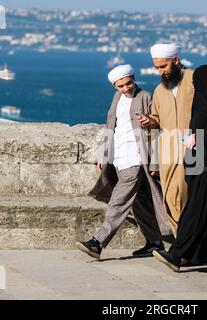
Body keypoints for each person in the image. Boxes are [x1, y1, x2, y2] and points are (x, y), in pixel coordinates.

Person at [138, 44, 207, 235]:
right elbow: (158, 118)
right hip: (167, 150)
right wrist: (150, 120)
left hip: (193, 148)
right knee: (169, 198)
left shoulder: (195, 78)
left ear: (175, 60)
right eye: (157, 67)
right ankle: (181, 242)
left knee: (186, 197)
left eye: (163, 67)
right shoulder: (160, 90)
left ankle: (186, 246)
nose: (160, 72)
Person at [77, 64, 171, 260]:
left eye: (128, 83)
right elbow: (111, 125)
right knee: (139, 202)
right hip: (119, 157)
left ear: (134, 79)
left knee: (118, 202)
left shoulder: (145, 96)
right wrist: (104, 155)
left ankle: (97, 242)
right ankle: (155, 242)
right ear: (115, 87)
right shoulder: (117, 98)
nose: (126, 88)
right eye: (121, 86)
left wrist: (154, 163)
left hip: (136, 157)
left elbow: (155, 130)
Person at [152, 65, 207, 271]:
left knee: (194, 212)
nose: (194, 87)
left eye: (197, 83)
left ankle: (178, 254)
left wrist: (198, 139)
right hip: (200, 165)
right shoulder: (203, 102)